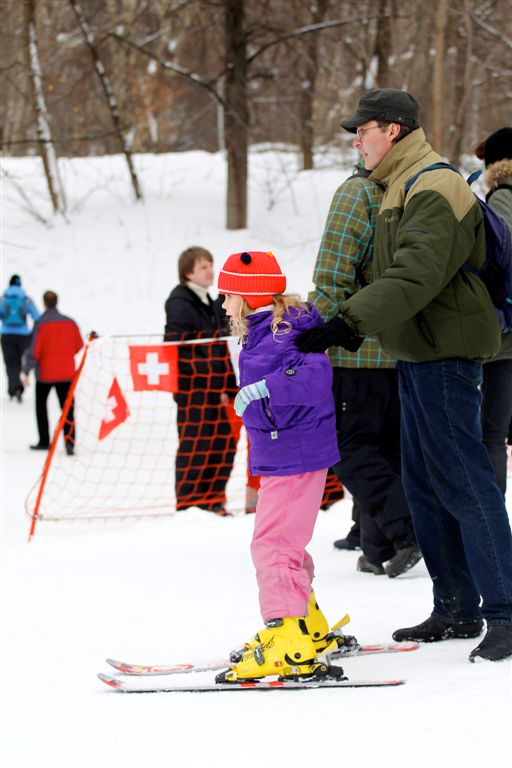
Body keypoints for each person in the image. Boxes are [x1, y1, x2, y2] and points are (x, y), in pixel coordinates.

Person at [296, 89, 512, 662]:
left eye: (361, 131)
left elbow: (416, 275)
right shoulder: (395, 186)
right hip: (413, 352)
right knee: (423, 483)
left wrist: (345, 321)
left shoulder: (434, 185)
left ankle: (506, 612)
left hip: (447, 352)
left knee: (465, 481)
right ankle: (455, 607)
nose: (355, 142)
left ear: (391, 130)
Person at [214, 250, 345, 683]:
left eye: (228, 295)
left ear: (249, 296)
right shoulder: (263, 331)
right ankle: (306, 628)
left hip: (293, 452)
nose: (223, 304)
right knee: (284, 545)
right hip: (283, 450)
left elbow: (315, 375)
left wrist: (264, 390)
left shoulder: (281, 331)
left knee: (272, 548)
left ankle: (289, 645)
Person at [310, 161, 421, 577]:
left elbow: (332, 275)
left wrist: (316, 332)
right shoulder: (413, 191)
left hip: (355, 349)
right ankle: (377, 549)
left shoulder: (355, 193)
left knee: (348, 448)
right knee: (388, 451)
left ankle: (408, 528)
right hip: (401, 350)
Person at [164, 246, 238, 516]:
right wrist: (210, 382)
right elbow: (181, 347)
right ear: (188, 272)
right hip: (193, 387)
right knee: (195, 444)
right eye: (203, 267)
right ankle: (189, 504)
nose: (210, 271)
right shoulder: (180, 302)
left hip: (214, 386)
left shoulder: (206, 300)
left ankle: (211, 500)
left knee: (222, 443)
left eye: (211, 265)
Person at [474, 127, 512, 498]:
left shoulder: (502, 197)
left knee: (491, 434)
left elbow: (500, 260)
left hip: (505, 339)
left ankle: (492, 528)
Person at [23, 290, 83, 454]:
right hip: (66, 373)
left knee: (41, 407)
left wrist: (26, 371)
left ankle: (44, 441)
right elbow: (78, 345)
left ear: (44, 303)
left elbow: (34, 351)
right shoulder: (70, 323)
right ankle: (69, 442)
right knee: (67, 408)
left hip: (45, 375)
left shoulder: (40, 324)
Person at [0, 274, 39, 402]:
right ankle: (19, 388)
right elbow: (37, 317)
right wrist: (32, 333)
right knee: (21, 362)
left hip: (6, 335)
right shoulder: (26, 300)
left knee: (10, 363)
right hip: (23, 336)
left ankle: (13, 388)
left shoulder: (3, 299)